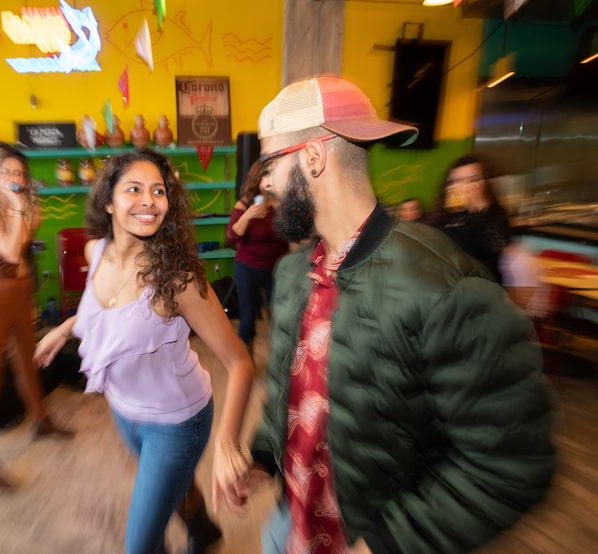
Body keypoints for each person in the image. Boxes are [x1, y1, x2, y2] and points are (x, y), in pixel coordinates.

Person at [230, 75, 555, 554]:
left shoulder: (444, 287)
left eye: (271, 164)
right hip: (291, 525)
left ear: (314, 158)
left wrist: (386, 544)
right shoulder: (293, 273)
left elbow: (510, 462)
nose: (265, 183)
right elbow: (290, 390)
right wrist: (263, 459)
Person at [33, 149, 254, 554]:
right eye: (134, 189)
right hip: (123, 411)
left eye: (158, 191)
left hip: (176, 422)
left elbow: (240, 362)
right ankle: (204, 531)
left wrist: (227, 443)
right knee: (176, 487)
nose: (149, 200)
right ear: (108, 201)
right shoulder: (95, 252)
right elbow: (105, 311)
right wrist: (65, 329)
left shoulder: (177, 278)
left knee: (141, 543)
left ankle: (195, 528)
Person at [0, 142, 72, 491]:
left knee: (29, 365)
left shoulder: (17, 208)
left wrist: (26, 211)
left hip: (18, 295)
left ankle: (40, 421)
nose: (15, 178)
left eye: (20, 174)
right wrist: (16, 208)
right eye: (8, 172)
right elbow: (11, 253)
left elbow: (25, 240)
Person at [225, 160, 289, 354]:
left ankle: (283, 358)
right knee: (248, 315)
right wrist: (247, 216)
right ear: (257, 178)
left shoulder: (282, 202)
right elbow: (230, 238)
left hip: (277, 268)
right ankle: (246, 358)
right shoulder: (245, 203)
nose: (270, 180)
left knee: (282, 314)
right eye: (266, 175)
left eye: (273, 175)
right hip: (248, 267)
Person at [424, 153, 511, 283]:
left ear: (486, 183)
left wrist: (479, 206)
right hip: (446, 285)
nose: (464, 186)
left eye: (473, 180)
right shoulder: (442, 214)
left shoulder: (493, 212)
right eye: (456, 181)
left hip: (480, 287)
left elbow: (496, 247)